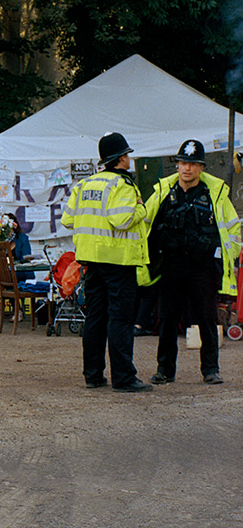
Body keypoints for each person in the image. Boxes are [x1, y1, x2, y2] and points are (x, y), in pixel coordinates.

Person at [60, 131, 152, 392]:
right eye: (127, 155)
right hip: (118, 260)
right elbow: (121, 219)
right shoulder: (122, 185)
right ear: (122, 158)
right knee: (120, 320)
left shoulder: (84, 185)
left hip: (91, 261)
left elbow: (68, 220)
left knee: (95, 319)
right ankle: (123, 378)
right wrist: (141, 208)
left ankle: (93, 375)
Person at [142, 139, 239, 386]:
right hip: (171, 266)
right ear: (177, 165)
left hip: (202, 269)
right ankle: (165, 370)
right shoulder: (163, 193)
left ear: (202, 168)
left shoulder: (215, 195)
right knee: (167, 319)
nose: (187, 169)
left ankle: (211, 369)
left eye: (193, 164)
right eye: (183, 163)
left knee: (207, 318)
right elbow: (144, 223)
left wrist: (228, 257)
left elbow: (233, 230)